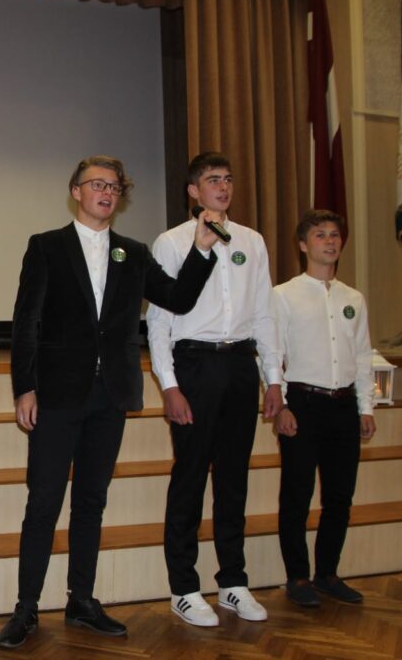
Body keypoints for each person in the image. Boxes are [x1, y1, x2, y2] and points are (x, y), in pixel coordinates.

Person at [0, 155, 218, 650]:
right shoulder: (46, 246)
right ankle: (26, 607)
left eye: (114, 186)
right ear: (76, 191)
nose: (106, 192)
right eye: (96, 184)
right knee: (44, 501)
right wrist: (24, 387)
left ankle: (82, 600)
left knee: (91, 502)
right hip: (56, 394)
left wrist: (202, 250)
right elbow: (26, 321)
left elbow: (178, 298)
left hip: (110, 394)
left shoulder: (132, 253)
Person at [147, 152, 284, 627]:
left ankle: (233, 581)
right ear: (193, 190)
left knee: (233, 478)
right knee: (190, 477)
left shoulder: (252, 240)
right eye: (212, 180)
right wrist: (169, 385)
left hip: (240, 364)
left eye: (227, 179)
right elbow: (159, 322)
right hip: (194, 364)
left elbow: (264, 314)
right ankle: (184, 588)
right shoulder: (171, 242)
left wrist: (273, 378)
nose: (222, 187)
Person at [273, 209, 376, 607]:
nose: (330, 241)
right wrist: (281, 405)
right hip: (302, 403)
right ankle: (297, 577)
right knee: (296, 495)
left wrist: (366, 407)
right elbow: (272, 353)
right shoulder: (284, 295)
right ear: (303, 245)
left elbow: (363, 355)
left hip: (344, 405)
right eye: (320, 235)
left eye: (335, 234)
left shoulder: (354, 298)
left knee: (339, 497)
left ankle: (328, 574)